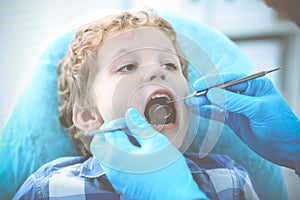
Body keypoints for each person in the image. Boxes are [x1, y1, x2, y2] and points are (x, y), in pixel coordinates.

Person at [13, 10, 260, 200]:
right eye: (128, 66)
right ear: (89, 116)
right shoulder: (49, 188)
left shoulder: (228, 182)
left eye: (170, 65)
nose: (156, 70)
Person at [186, 0, 300, 176]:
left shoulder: (231, 179)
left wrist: (294, 148)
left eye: (169, 65)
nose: (265, 3)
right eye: (128, 67)